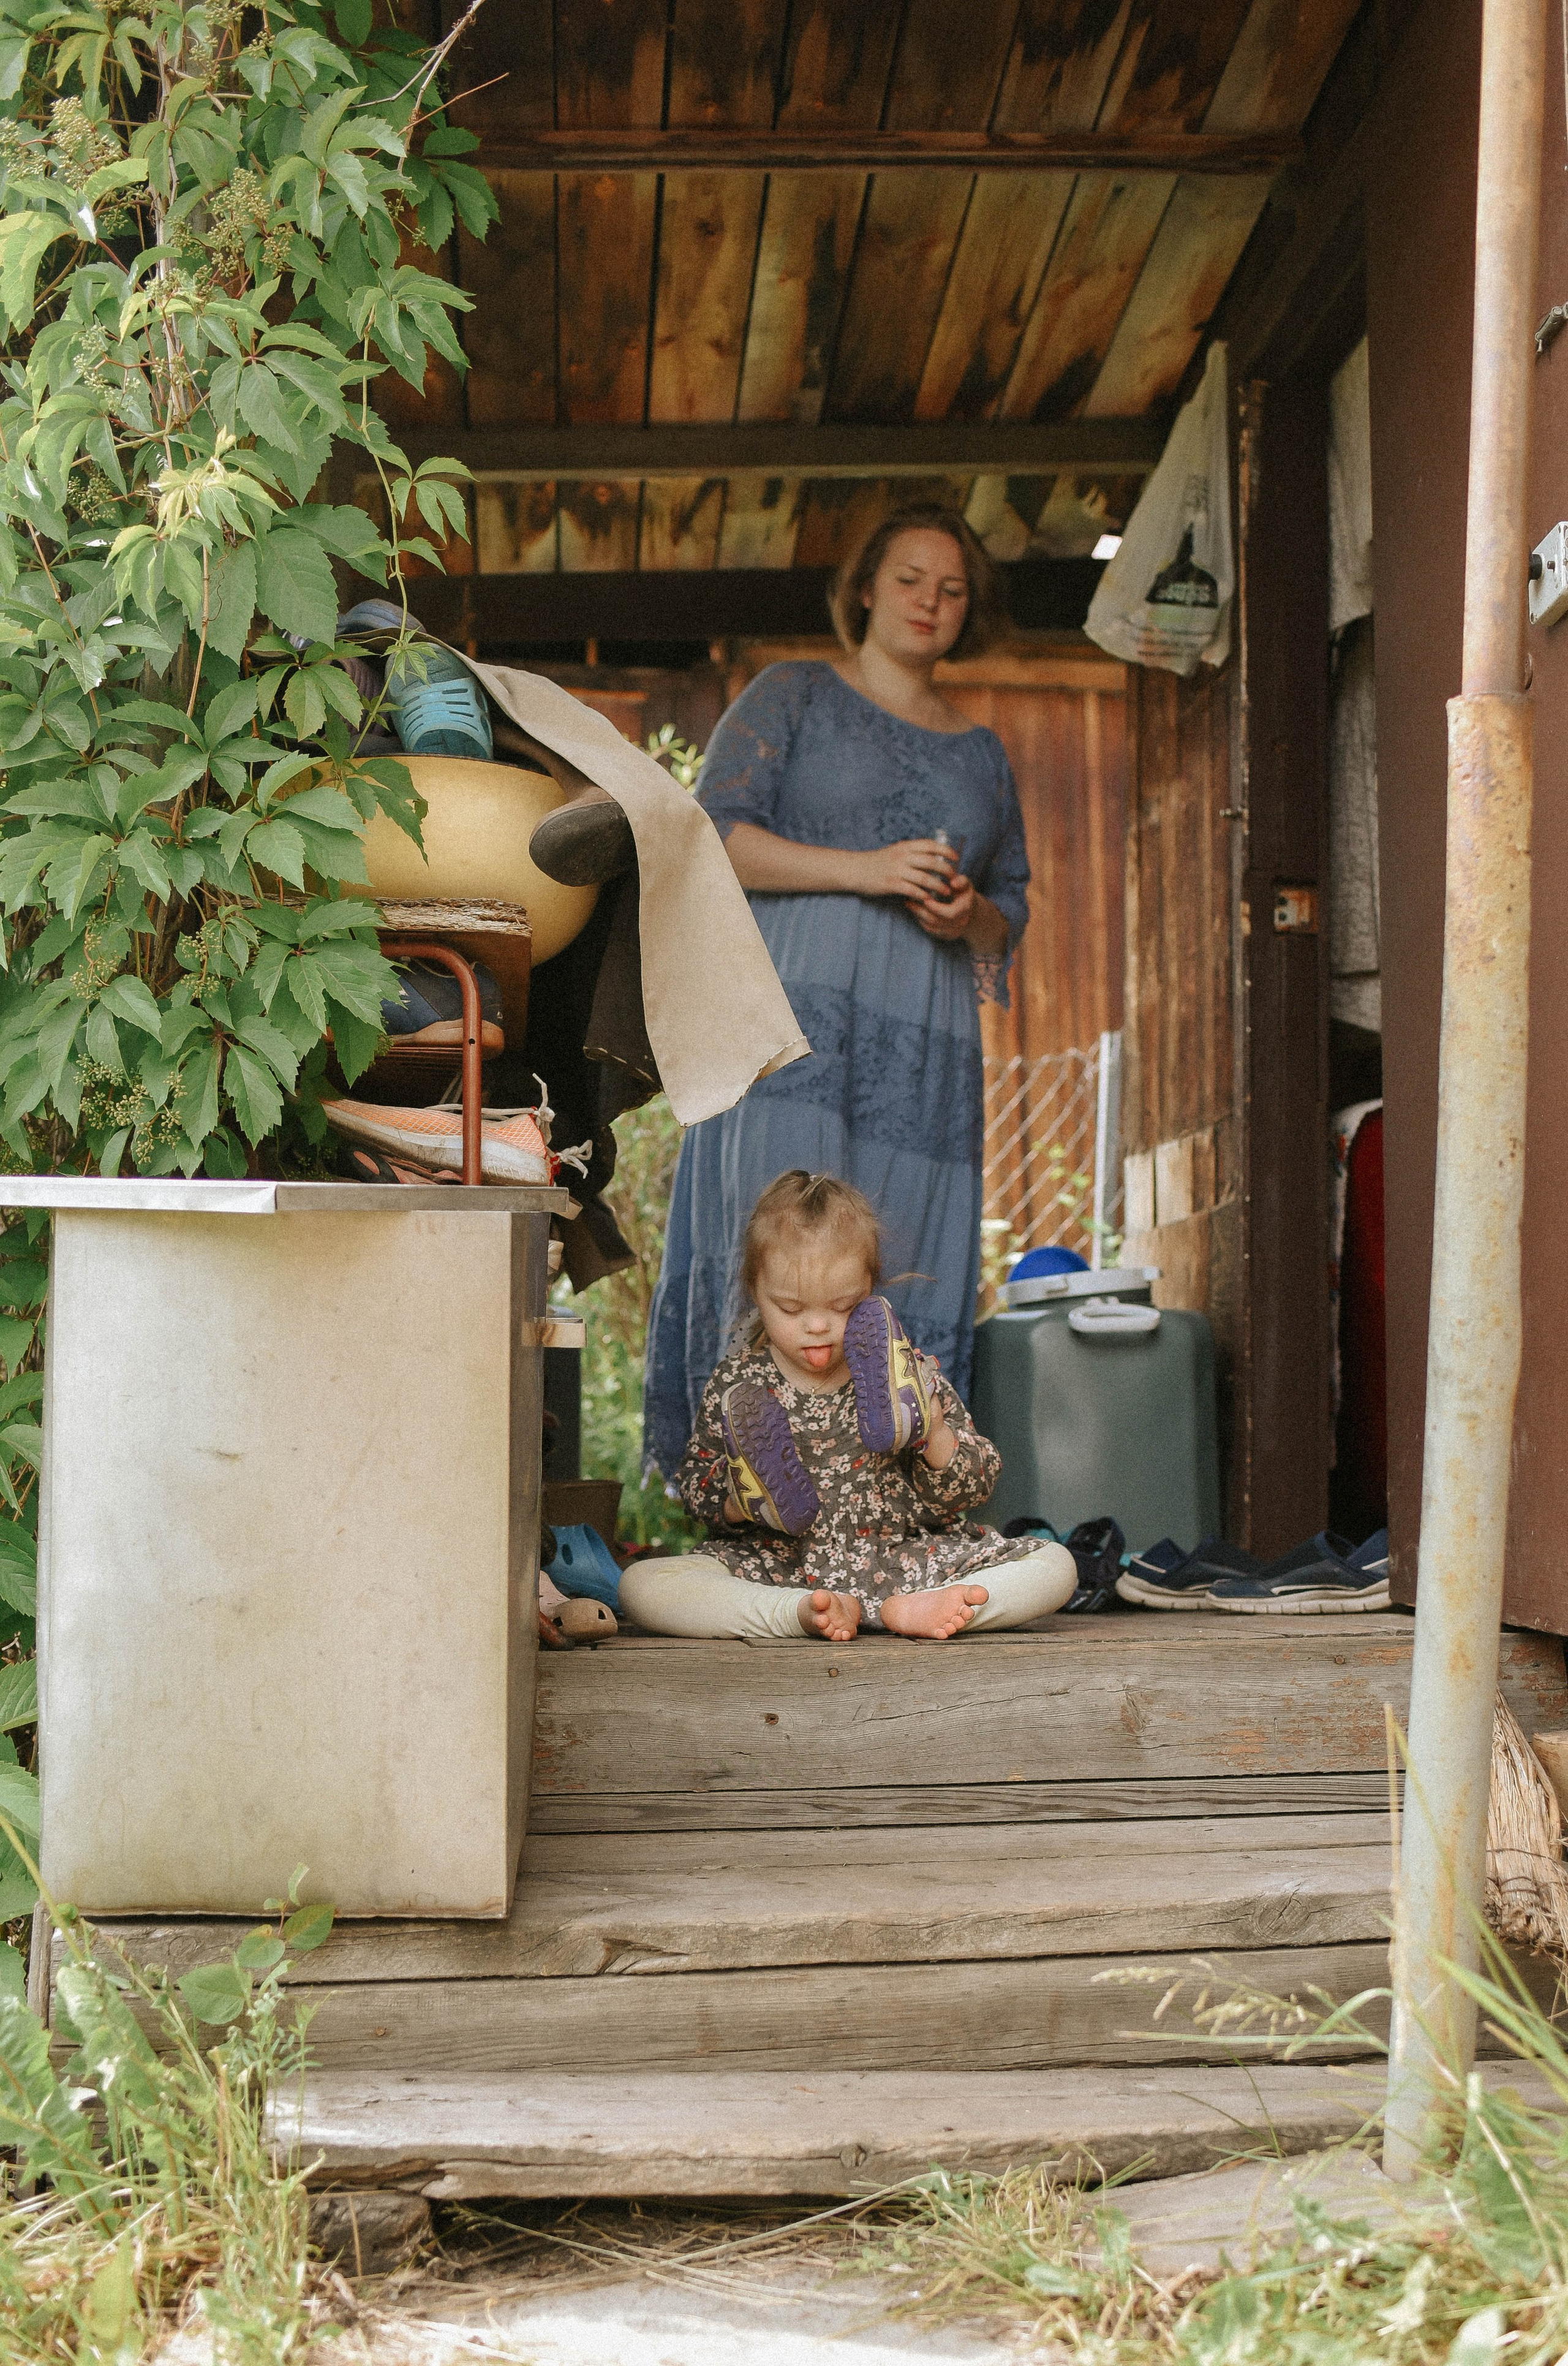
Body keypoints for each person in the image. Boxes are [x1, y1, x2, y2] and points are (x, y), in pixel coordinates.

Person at [641, 503, 1031, 1484]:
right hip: (793, 1025)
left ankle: (893, 1500)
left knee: (902, 1244)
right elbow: (715, 836)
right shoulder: (795, 694)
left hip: (926, 1044)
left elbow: (1009, 912)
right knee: (782, 1236)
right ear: (865, 586)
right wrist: (872, 870)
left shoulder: (982, 751)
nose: (930, 603)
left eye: (951, 590)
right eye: (910, 579)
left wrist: (965, 912)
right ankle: (749, 1499)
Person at [620, 1173, 1076, 1642]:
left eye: (842, 1306)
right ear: (756, 1291)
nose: (817, 1326)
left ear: (870, 1287)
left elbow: (975, 1488)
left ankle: (903, 1610)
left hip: (905, 1560)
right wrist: (740, 1500)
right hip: (777, 1565)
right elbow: (697, 1487)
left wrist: (934, 1433)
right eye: (791, 1309)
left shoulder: (909, 1374)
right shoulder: (739, 1384)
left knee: (1055, 1565)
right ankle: (797, 1613)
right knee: (642, 1586)